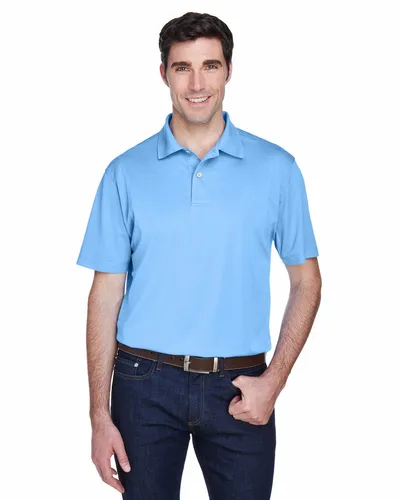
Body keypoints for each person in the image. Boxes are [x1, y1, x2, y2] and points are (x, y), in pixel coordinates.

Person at [76, 11, 322, 500]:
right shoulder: (125, 172)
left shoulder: (277, 169)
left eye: (209, 66)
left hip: (241, 384)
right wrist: (98, 415)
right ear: (163, 74)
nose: (196, 84)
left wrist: (274, 381)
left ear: (228, 70)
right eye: (182, 67)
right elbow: (104, 296)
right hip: (143, 384)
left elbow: (307, 282)